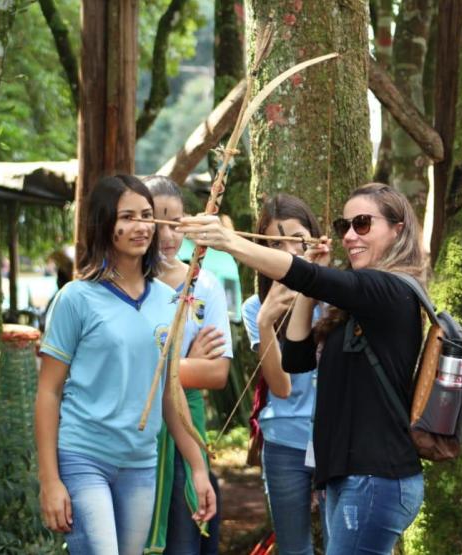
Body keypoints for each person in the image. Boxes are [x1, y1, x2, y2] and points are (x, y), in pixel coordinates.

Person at [181, 183, 427, 554]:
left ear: (398, 228)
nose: (348, 235)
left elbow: (308, 277)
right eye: (344, 225)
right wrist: (301, 293)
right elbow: (296, 358)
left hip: (376, 476)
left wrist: (230, 241)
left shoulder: (391, 289)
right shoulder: (356, 301)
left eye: (362, 224)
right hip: (351, 475)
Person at [35, 174, 216, 555]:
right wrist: (49, 480)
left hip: (140, 463)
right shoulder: (76, 298)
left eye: (147, 216)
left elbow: (169, 394)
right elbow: (48, 392)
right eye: (127, 216)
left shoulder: (169, 302)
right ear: (105, 224)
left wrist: (198, 468)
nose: (141, 226)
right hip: (83, 457)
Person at [143, 175, 233, 555]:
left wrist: (168, 368)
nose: (169, 235)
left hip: (186, 429)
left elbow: (217, 373)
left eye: (176, 223)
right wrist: (185, 365)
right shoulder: (125, 285)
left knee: (184, 539)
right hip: (134, 434)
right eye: (158, 222)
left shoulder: (204, 285)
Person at [240, 194, 327, 555]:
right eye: (275, 243)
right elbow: (281, 386)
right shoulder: (255, 308)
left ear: (315, 239)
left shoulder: (336, 298)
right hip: (284, 443)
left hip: (335, 440)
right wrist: (266, 322)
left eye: (298, 238)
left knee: (344, 543)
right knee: (294, 549)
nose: (289, 250)